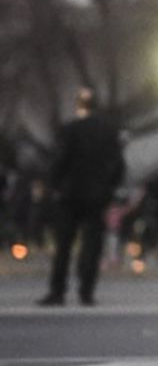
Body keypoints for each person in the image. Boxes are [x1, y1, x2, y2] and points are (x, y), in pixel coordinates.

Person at [38, 87, 124, 306]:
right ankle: (86, 290)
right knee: (92, 244)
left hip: (71, 194)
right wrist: (110, 188)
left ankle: (58, 290)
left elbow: (59, 160)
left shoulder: (70, 129)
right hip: (98, 195)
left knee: (64, 245)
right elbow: (118, 165)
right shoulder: (108, 131)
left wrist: (54, 184)